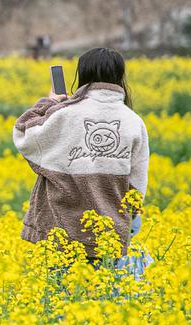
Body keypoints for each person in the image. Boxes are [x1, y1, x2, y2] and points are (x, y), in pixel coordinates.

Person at [13, 47, 150, 274]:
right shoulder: (134, 122)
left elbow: (23, 134)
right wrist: (128, 222)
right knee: (106, 293)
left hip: (62, 232)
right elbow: (137, 184)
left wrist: (49, 103)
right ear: (120, 76)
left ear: (82, 75)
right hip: (110, 235)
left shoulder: (64, 114)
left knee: (64, 293)